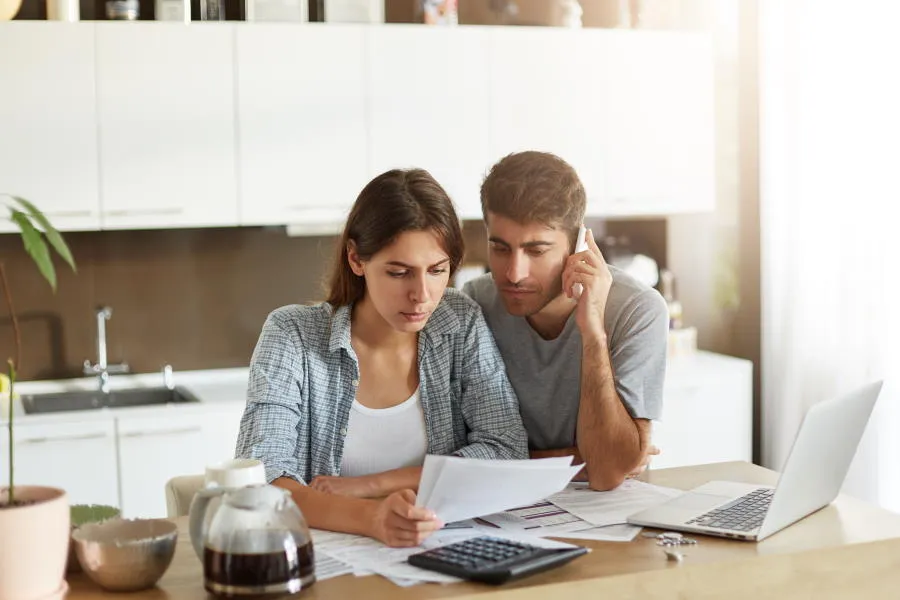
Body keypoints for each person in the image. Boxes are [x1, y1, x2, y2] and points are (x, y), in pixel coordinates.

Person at [235, 168, 528, 548]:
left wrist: (372, 485)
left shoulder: (460, 321)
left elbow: (505, 449)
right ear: (356, 259)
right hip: (326, 559)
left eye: (437, 271)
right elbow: (261, 476)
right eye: (399, 272)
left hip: (434, 549)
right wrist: (372, 518)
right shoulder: (292, 334)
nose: (422, 295)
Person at [462, 151, 669, 491]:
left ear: (577, 245)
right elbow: (460, 459)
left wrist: (593, 333)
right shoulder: (473, 304)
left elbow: (606, 474)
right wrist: (582, 460)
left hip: (606, 512)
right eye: (500, 249)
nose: (514, 273)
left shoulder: (637, 309)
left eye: (537, 250)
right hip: (499, 501)